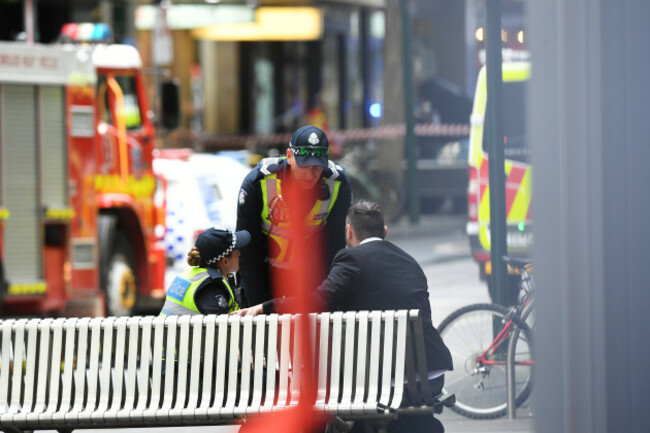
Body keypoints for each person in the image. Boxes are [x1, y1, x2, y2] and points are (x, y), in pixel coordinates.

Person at [234, 200, 453, 433]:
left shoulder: (352, 259)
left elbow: (317, 301)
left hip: (385, 381)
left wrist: (263, 307)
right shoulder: (410, 262)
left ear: (349, 232)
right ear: (385, 232)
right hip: (429, 375)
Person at [236, 125, 352, 307]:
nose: (312, 173)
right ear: (289, 156)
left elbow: (334, 248)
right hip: (265, 273)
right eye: (305, 164)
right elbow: (248, 253)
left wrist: (325, 299)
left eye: (318, 166)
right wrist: (258, 308)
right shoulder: (258, 183)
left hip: (309, 277)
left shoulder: (337, 183)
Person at [159, 227, 251, 316]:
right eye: (236, 252)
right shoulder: (210, 286)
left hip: (172, 331)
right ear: (225, 261)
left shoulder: (188, 276)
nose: (240, 253)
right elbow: (220, 327)